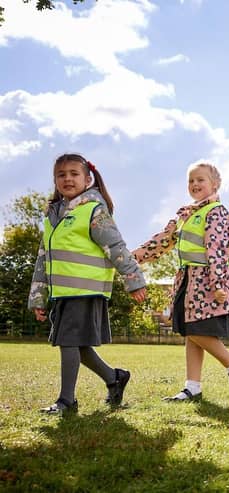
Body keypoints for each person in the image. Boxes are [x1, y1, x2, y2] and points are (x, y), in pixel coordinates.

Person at [28, 153, 147, 416]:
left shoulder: (94, 210)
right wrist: (38, 297)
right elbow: (42, 260)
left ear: (88, 178)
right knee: (78, 345)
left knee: (68, 342)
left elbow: (115, 247)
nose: (67, 178)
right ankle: (114, 378)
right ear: (55, 180)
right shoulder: (53, 217)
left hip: (85, 290)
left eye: (74, 173)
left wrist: (134, 280)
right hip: (63, 293)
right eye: (61, 174)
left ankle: (66, 401)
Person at [133, 162, 229, 402]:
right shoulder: (186, 215)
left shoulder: (216, 212)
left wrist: (218, 285)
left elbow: (218, 251)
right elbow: (163, 241)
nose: (195, 184)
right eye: (191, 181)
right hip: (186, 278)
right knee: (189, 331)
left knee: (196, 329)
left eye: (200, 180)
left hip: (207, 281)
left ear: (215, 184)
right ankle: (192, 386)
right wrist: (133, 258)